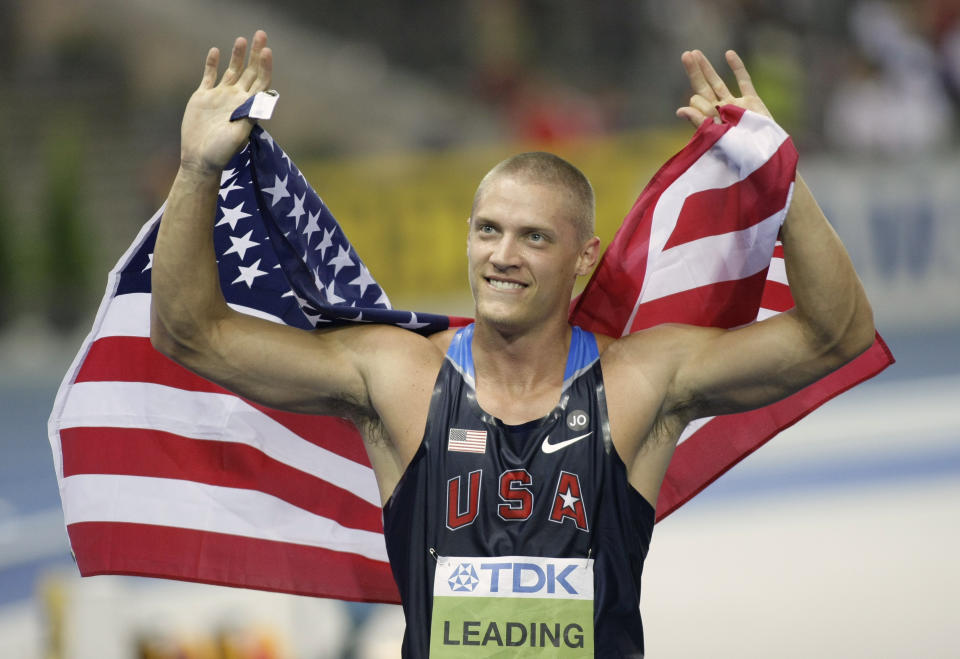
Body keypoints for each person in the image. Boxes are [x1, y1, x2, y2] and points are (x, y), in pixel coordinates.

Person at [150, 30, 875, 658]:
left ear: (583, 258)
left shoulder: (641, 381)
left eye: (535, 237)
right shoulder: (398, 376)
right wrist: (196, 169)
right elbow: (191, 333)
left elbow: (835, 335)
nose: (503, 255)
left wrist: (779, 174)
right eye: (489, 230)